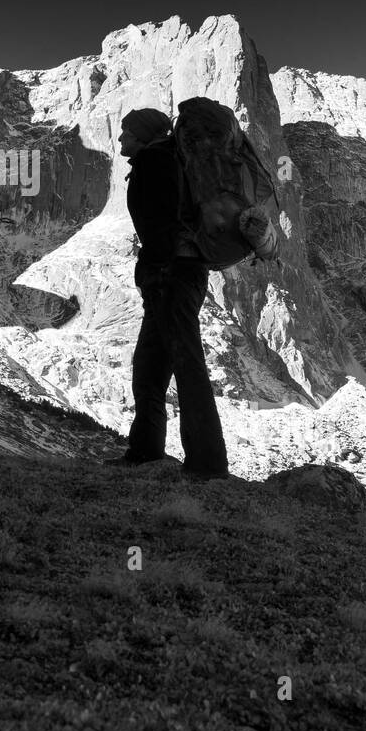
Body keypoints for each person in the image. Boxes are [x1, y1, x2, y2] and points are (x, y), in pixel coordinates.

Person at [108, 107, 229, 480]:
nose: (120, 138)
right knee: (150, 366)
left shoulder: (156, 162)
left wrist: (157, 269)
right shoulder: (165, 159)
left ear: (144, 135)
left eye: (127, 131)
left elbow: (161, 222)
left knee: (186, 365)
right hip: (175, 274)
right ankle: (145, 451)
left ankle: (207, 465)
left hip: (172, 276)